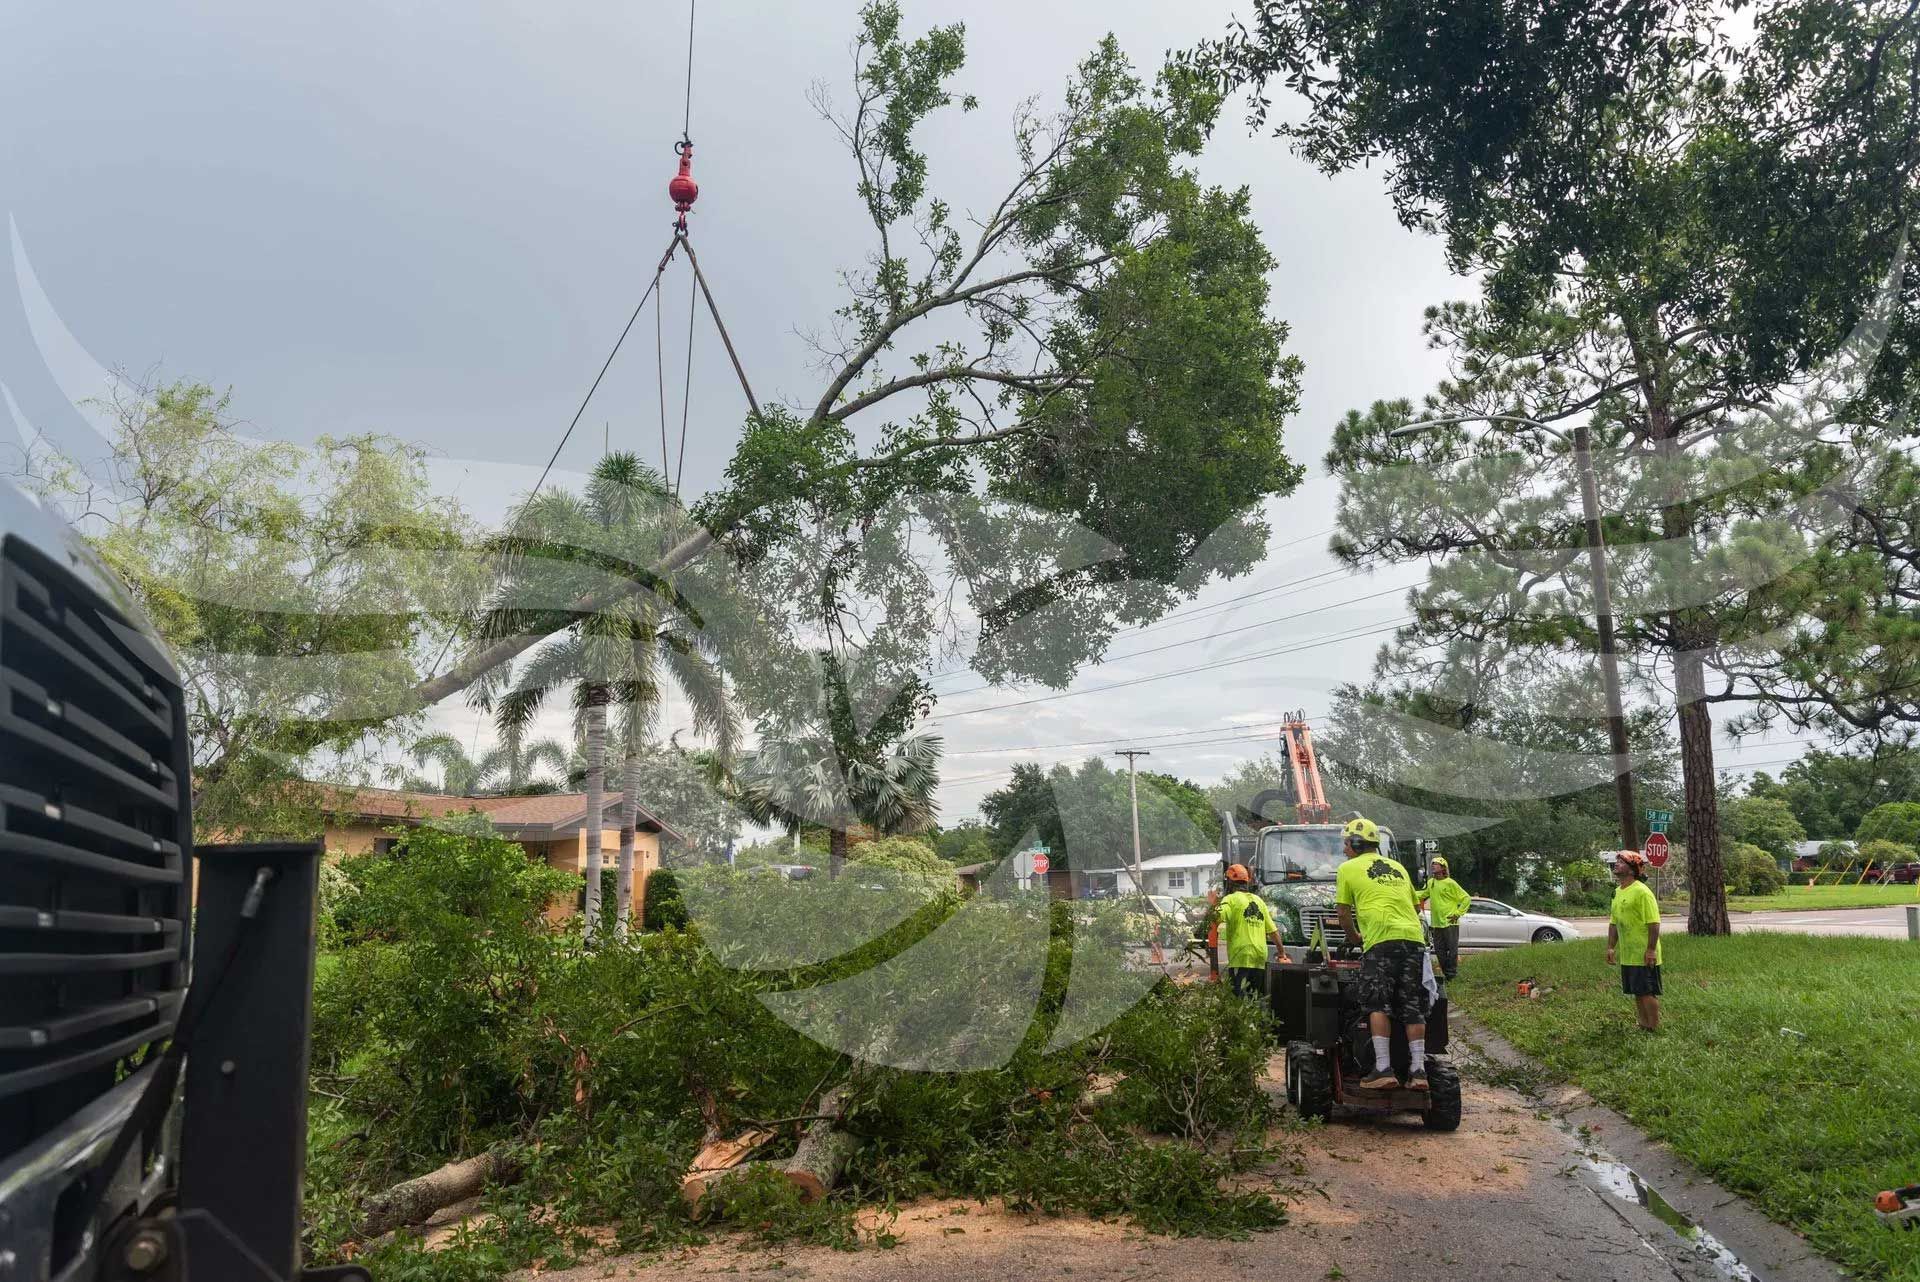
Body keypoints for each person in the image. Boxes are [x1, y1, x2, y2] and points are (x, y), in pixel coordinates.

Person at [1334, 816, 1431, 1091]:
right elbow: (1414, 908)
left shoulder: (1348, 869)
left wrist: (1356, 938)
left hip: (1380, 941)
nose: (1344, 849)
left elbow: (1342, 913)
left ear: (1355, 843)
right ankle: (1418, 1072)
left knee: (1378, 1003)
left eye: (1345, 844)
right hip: (1413, 940)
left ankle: (1383, 1069)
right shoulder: (1399, 868)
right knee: (1412, 1006)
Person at [1607, 850, 1663, 1032]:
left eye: (1621, 862)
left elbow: (1654, 923)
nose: (1616, 864)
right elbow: (1614, 922)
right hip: (1628, 953)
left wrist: (1651, 950)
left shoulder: (1642, 892)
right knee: (1637, 991)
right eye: (1616, 861)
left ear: (1632, 870)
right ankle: (1643, 1024)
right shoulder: (1617, 892)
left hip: (1643, 951)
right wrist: (1610, 947)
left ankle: (1653, 1027)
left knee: (1647, 991)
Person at [1212, 863, 1286, 997]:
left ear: (1229, 883)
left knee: (1239, 1001)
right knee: (1255, 999)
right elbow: (1273, 932)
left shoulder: (1230, 899)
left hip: (1241, 956)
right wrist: (1281, 953)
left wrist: (1213, 904)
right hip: (1259, 957)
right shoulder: (1259, 901)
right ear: (1246, 882)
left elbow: (1216, 917)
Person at [1416, 855, 1471, 980]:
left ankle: (1451, 976)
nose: (1433, 866)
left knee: (1452, 951)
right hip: (1436, 924)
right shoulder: (1431, 883)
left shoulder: (1450, 883)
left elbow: (1466, 898)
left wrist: (1457, 913)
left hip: (1450, 922)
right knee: (1439, 952)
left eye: (1436, 864)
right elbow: (1423, 894)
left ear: (1443, 868)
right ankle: (1448, 974)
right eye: (1432, 864)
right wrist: (1407, 892)